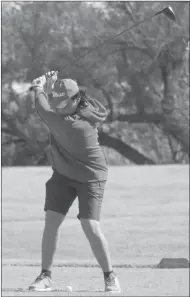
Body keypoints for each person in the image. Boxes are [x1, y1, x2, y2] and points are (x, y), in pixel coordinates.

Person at [28, 71, 121, 293]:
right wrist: (51, 87)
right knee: (52, 221)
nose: (58, 106)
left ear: (76, 98)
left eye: (62, 103)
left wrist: (39, 87)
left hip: (91, 176)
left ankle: (110, 277)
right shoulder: (74, 108)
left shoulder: (76, 125)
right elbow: (52, 106)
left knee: (90, 225)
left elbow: (43, 108)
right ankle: (45, 276)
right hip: (63, 173)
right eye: (56, 102)